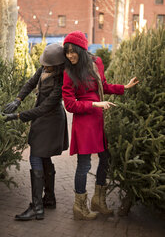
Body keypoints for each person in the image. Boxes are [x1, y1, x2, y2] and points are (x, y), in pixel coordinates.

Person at [62, 30, 139, 220]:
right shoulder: (68, 72)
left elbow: (102, 86)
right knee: (84, 164)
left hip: (97, 120)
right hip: (84, 122)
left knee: (105, 158)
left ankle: (98, 200)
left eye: (73, 51)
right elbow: (70, 104)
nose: (70, 55)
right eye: (67, 52)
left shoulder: (96, 63)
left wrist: (124, 88)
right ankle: (80, 207)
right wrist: (95, 103)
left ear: (82, 49)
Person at [2, 43, 69, 221]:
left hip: (52, 120)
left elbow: (44, 108)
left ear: (57, 65)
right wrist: (18, 99)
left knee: (36, 155)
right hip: (42, 118)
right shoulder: (43, 69)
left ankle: (37, 207)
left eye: (48, 64)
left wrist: (16, 115)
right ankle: (49, 198)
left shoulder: (61, 81)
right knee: (43, 155)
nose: (44, 65)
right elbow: (31, 83)